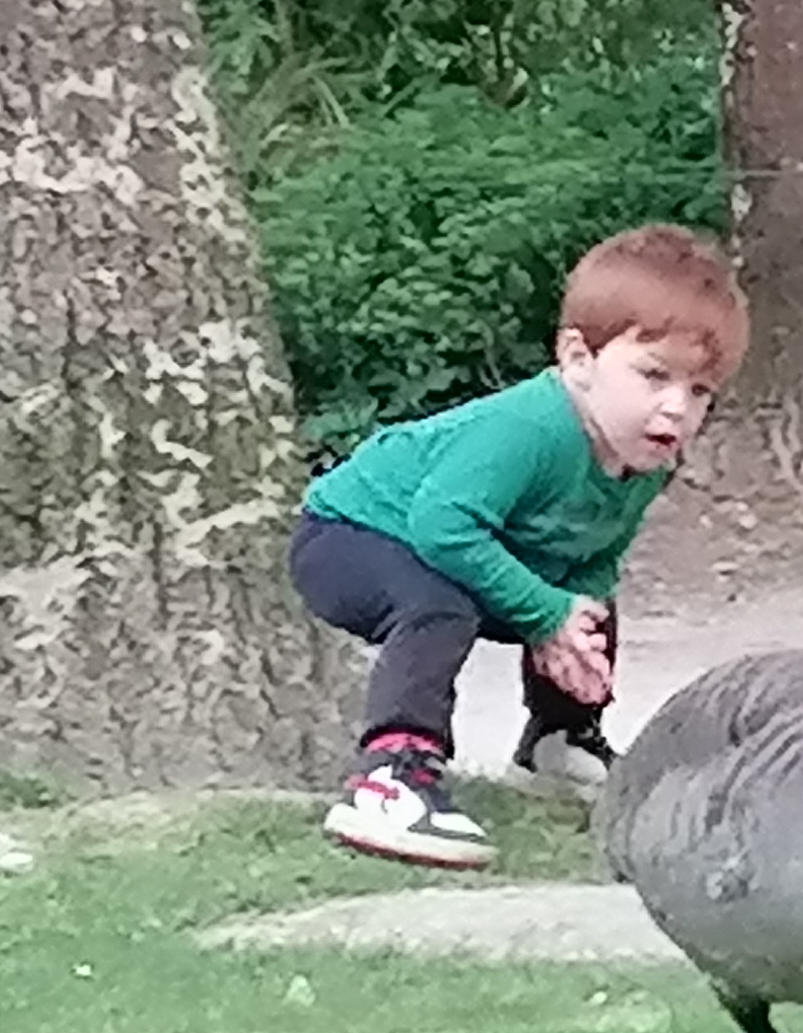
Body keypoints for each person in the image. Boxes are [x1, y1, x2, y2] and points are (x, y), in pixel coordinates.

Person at [291, 223, 746, 870]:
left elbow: (594, 555)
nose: (675, 408)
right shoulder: (529, 429)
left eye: (699, 391)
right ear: (579, 360)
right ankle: (390, 775)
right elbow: (442, 527)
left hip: (454, 544)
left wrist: (570, 638)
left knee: (587, 601)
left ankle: (559, 741)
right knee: (439, 606)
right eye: (653, 375)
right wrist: (542, 616)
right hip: (352, 537)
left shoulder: (647, 455)